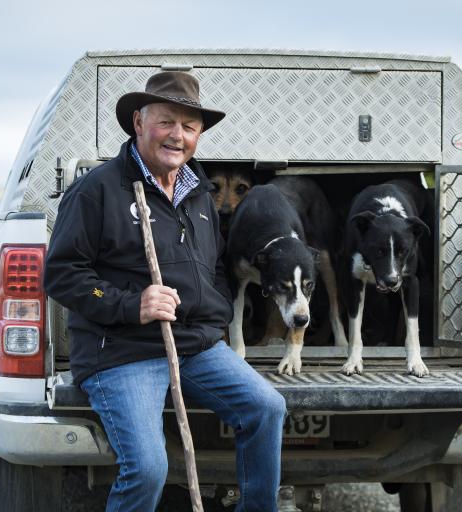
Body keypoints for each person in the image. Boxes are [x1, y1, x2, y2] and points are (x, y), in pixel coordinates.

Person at [43, 71, 286, 512]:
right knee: (149, 468)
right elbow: (62, 275)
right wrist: (131, 305)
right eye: (166, 122)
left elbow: (213, 267)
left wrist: (211, 319)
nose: (178, 135)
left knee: (266, 408)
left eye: (189, 127)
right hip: (119, 349)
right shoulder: (96, 191)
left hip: (193, 344)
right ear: (139, 122)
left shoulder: (199, 194)